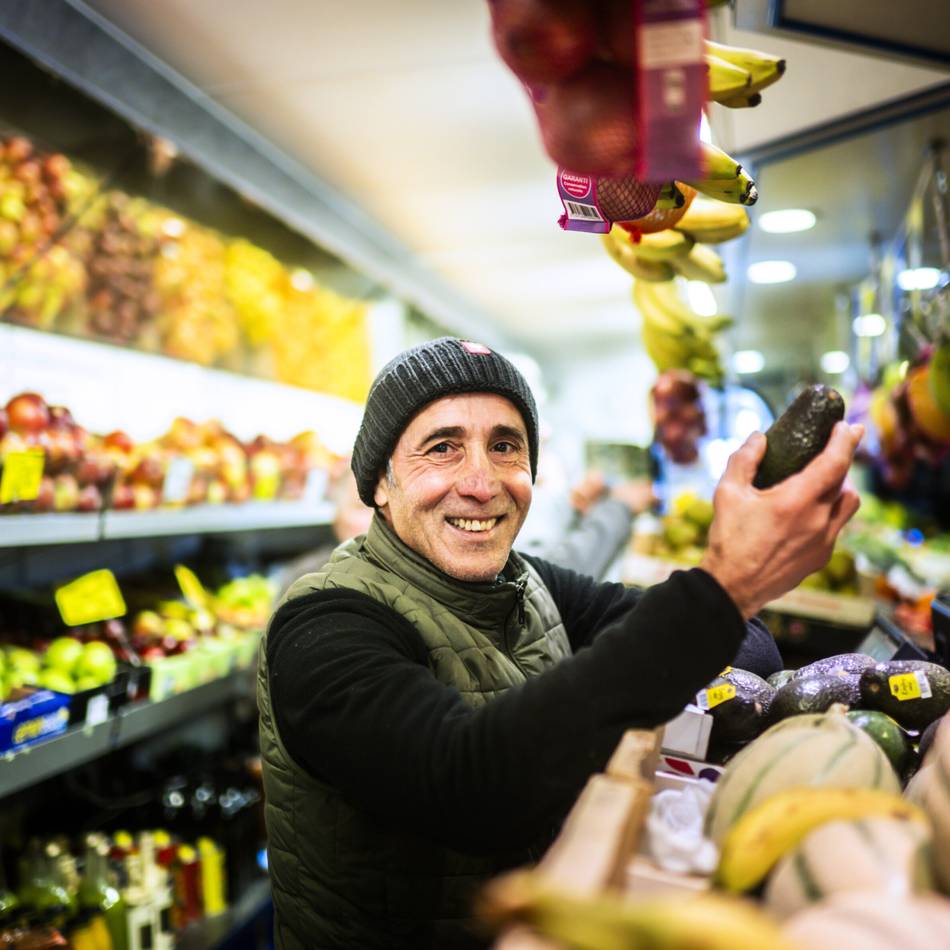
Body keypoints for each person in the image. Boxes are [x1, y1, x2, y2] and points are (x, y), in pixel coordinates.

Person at [258, 337, 862, 949]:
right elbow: (470, 786)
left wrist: (729, 597)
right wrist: (727, 584)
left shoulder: (529, 583)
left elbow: (750, 651)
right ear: (380, 484)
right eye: (441, 448)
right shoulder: (323, 625)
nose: (480, 482)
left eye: (505, 447)